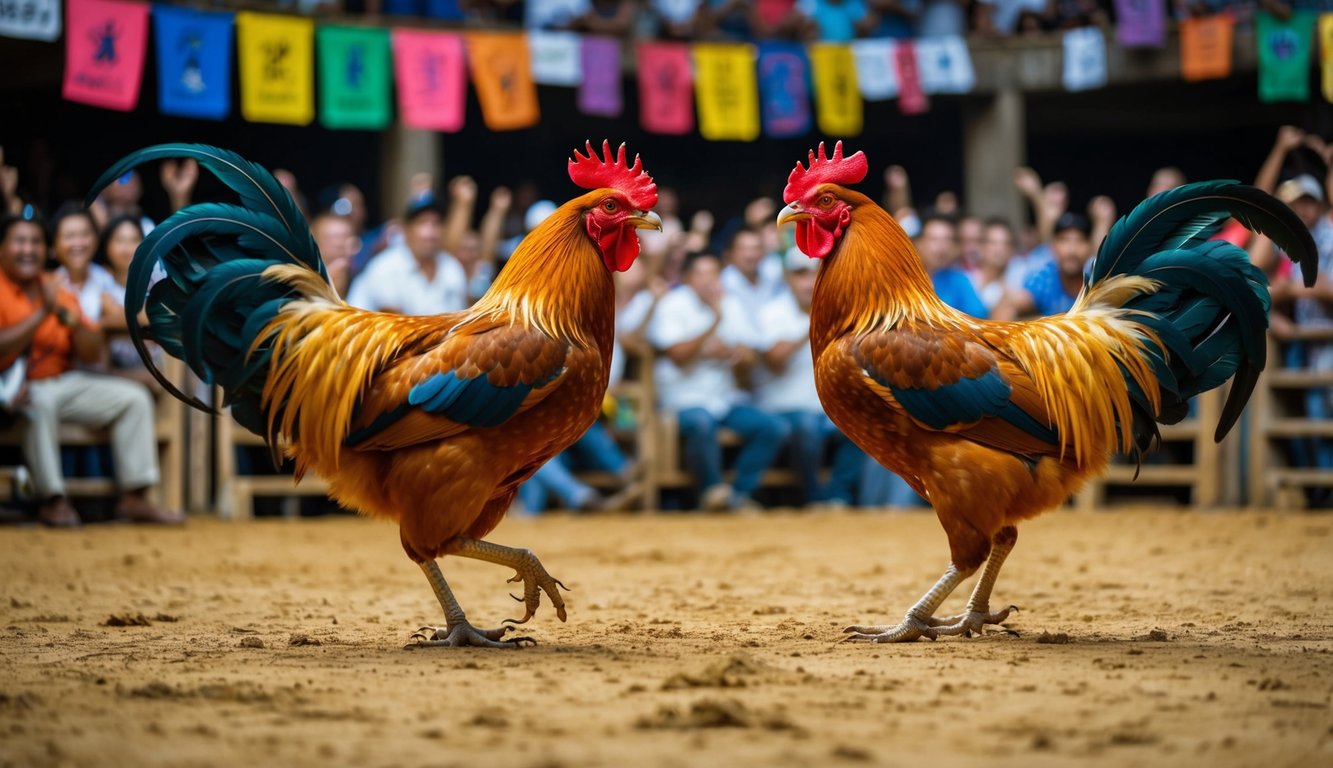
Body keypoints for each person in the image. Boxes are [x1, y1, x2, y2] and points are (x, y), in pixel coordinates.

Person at [0, 210, 181, 527]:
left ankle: (134, 497)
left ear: (46, 250)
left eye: (35, 242)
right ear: (3, 247)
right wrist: (43, 311)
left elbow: (92, 349)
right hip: (17, 389)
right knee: (37, 404)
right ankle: (53, 500)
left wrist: (68, 316)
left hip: (64, 382)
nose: (28, 249)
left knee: (133, 399)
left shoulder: (57, 289)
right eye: (20, 242)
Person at [648, 250, 789, 511]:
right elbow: (678, 355)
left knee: (773, 427)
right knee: (702, 423)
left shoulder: (730, 303)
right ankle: (712, 492)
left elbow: (750, 353)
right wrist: (714, 321)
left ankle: (735, 496)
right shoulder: (673, 304)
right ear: (688, 278)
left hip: (723, 399)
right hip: (683, 401)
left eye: (713, 273)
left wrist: (734, 354)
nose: (708, 280)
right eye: (701, 274)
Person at [755, 248, 862, 506]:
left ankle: (836, 496)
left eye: (815, 273)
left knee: (864, 425)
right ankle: (814, 497)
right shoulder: (772, 312)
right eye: (800, 274)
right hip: (783, 408)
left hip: (828, 410)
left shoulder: (842, 310)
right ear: (787, 277)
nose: (808, 281)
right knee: (806, 427)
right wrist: (814, 321)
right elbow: (775, 360)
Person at [345, 194, 468, 315]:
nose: (430, 233)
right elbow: (392, 325)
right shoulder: (384, 267)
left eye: (436, 223)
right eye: (422, 223)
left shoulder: (452, 268)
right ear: (406, 229)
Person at [1009, 211, 1093, 317]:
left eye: (1080, 240)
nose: (1072, 250)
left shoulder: (1098, 279)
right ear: (1053, 246)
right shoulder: (1044, 278)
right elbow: (1012, 305)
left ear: (1090, 247)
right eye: (1064, 240)